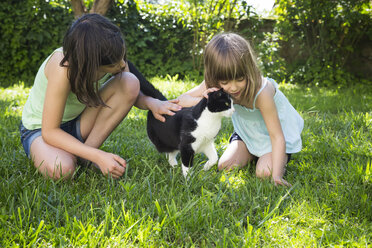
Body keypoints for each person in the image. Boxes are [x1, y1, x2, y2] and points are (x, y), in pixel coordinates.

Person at [19, 13, 181, 180]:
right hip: (41, 131)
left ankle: (84, 156)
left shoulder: (111, 55)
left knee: (130, 81)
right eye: (113, 64)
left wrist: (151, 102)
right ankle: (85, 155)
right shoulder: (63, 68)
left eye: (122, 57)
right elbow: (50, 131)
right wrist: (97, 155)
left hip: (78, 123)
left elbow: (129, 90)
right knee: (62, 170)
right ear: (90, 64)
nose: (122, 65)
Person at [177, 33, 304, 186]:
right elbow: (183, 99)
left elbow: (276, 136)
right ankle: (252, 151)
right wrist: (204, 100)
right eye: (225, 81)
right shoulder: (215, 83)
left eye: (240, 79)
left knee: (264, 173)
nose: (233, 87)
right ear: (215, 77)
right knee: (225, 166)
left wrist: (277, 176)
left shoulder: (262, 92)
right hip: (247, 134)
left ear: (248, 71)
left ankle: (275, 158)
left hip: (275, 136)